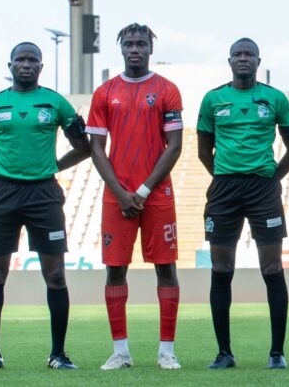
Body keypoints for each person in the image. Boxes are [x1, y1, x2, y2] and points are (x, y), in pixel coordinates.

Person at [0, 42, 90, 371]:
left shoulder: (55, 102)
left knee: (56, 275)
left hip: (44, 194)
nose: (26, 64)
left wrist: (54, 167)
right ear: (11, 64)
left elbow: (84, 148)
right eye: (21, 59)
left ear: (41, 67)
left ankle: (58, 354)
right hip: (2, 193)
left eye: (33, 60)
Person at [197, 38, 289, 370]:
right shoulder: (213, 99)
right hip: (225, 189)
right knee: (221, 270)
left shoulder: (275, 98)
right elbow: (203, 150)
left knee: (272, 268)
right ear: (230, 61)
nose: (243, 59)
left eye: (249, 54)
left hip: (263, 190)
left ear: (258, 60)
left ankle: (277, 352)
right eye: (238, 54)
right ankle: (224, 352)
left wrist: (272, 178)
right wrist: (225, 175)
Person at [87, 23, 184, 370]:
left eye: (141, 43)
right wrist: (121, 192)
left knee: (166, 268)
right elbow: (96, 148)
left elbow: (174, 146)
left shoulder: (167, 90)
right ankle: (121, 351)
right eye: (128, 43)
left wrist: (141, 191)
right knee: (115, 270)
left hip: (156, 195)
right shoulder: (105, 93)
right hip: (118, 196)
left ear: (150, 49)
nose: (135, 49)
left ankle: (167, 351)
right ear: (121, 48)